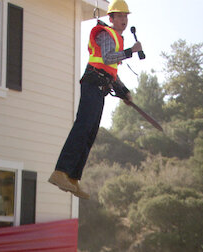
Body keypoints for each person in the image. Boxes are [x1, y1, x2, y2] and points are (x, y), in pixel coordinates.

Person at [48, 0, 142, 199]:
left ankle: (72, 178)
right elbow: (108, 58)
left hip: (100, 87)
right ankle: (60, 171)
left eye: (126, 16)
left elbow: (110, 71)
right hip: (92, 84)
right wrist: (130, 52)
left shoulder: (117, 39)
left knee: (90, 132)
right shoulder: (106, 34)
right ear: (111, 18)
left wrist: (123, 91)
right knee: (83, 126)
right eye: (120, 16)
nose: (124, 19)